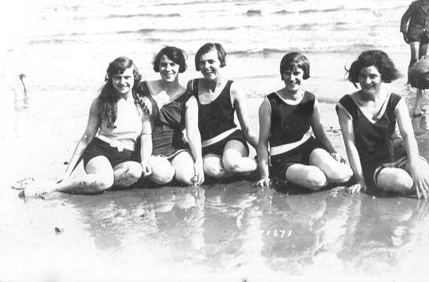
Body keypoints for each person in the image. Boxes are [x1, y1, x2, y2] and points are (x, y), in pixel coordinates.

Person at [21, 57, 152, 197]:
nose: (122, 82)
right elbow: (87, 137)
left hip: (125, 157)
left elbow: (146, 136)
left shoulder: (143, 103)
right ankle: (56, 187)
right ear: (111, 79)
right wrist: (67, 172)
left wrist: (145, 161)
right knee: (104, 181)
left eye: (127, 77)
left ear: (135, 77)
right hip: (100, 152)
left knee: (135, 171)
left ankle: (97, 182)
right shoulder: (101, 102)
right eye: (117, 78)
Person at [336, 50, 429, 199]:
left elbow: (408, 135)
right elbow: (350, 145)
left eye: (373, 76)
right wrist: (360, 180)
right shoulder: (346, 105)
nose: (367, 81)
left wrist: (414, 165)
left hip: (400, 152)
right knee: (402, 181)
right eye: (363, 76)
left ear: (382, 76)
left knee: (423, 173)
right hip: (373, 163)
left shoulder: (395, 100)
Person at [256, 52, 353, 190]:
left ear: (304, 74)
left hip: (308, 147)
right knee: (316, 179)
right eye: (287, 73)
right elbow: (262, 143)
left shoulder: (310, 99)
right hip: (283, 158)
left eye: (296, 73)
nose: (291, 78)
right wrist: (264, 176)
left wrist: (333, 152)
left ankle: (325, 173)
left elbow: (319, 132)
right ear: (282, 75)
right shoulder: (269, 103)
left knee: (342, 174)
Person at [188, 42, 258, 180]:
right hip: (207, 146)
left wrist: (263, 151)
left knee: (232, 164)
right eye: (202, 63)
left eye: (211, 61)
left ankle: (258, 165)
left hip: (232, 139)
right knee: (211, 170)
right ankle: (244, 175)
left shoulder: (233, 88)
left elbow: (247, 129)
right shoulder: (192, 86)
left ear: (221, 62)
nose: (206, 67)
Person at [138, 46, 204, 186]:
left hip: (177, 149)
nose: (168, 69)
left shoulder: (188, 97)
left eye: (172, 64)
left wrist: (198, 161)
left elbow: (192, 131)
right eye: (163, 64)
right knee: (164, 175)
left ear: (180, 67)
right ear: (158, 66)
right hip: (151, 149)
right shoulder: (143, 89)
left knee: (189, 178)